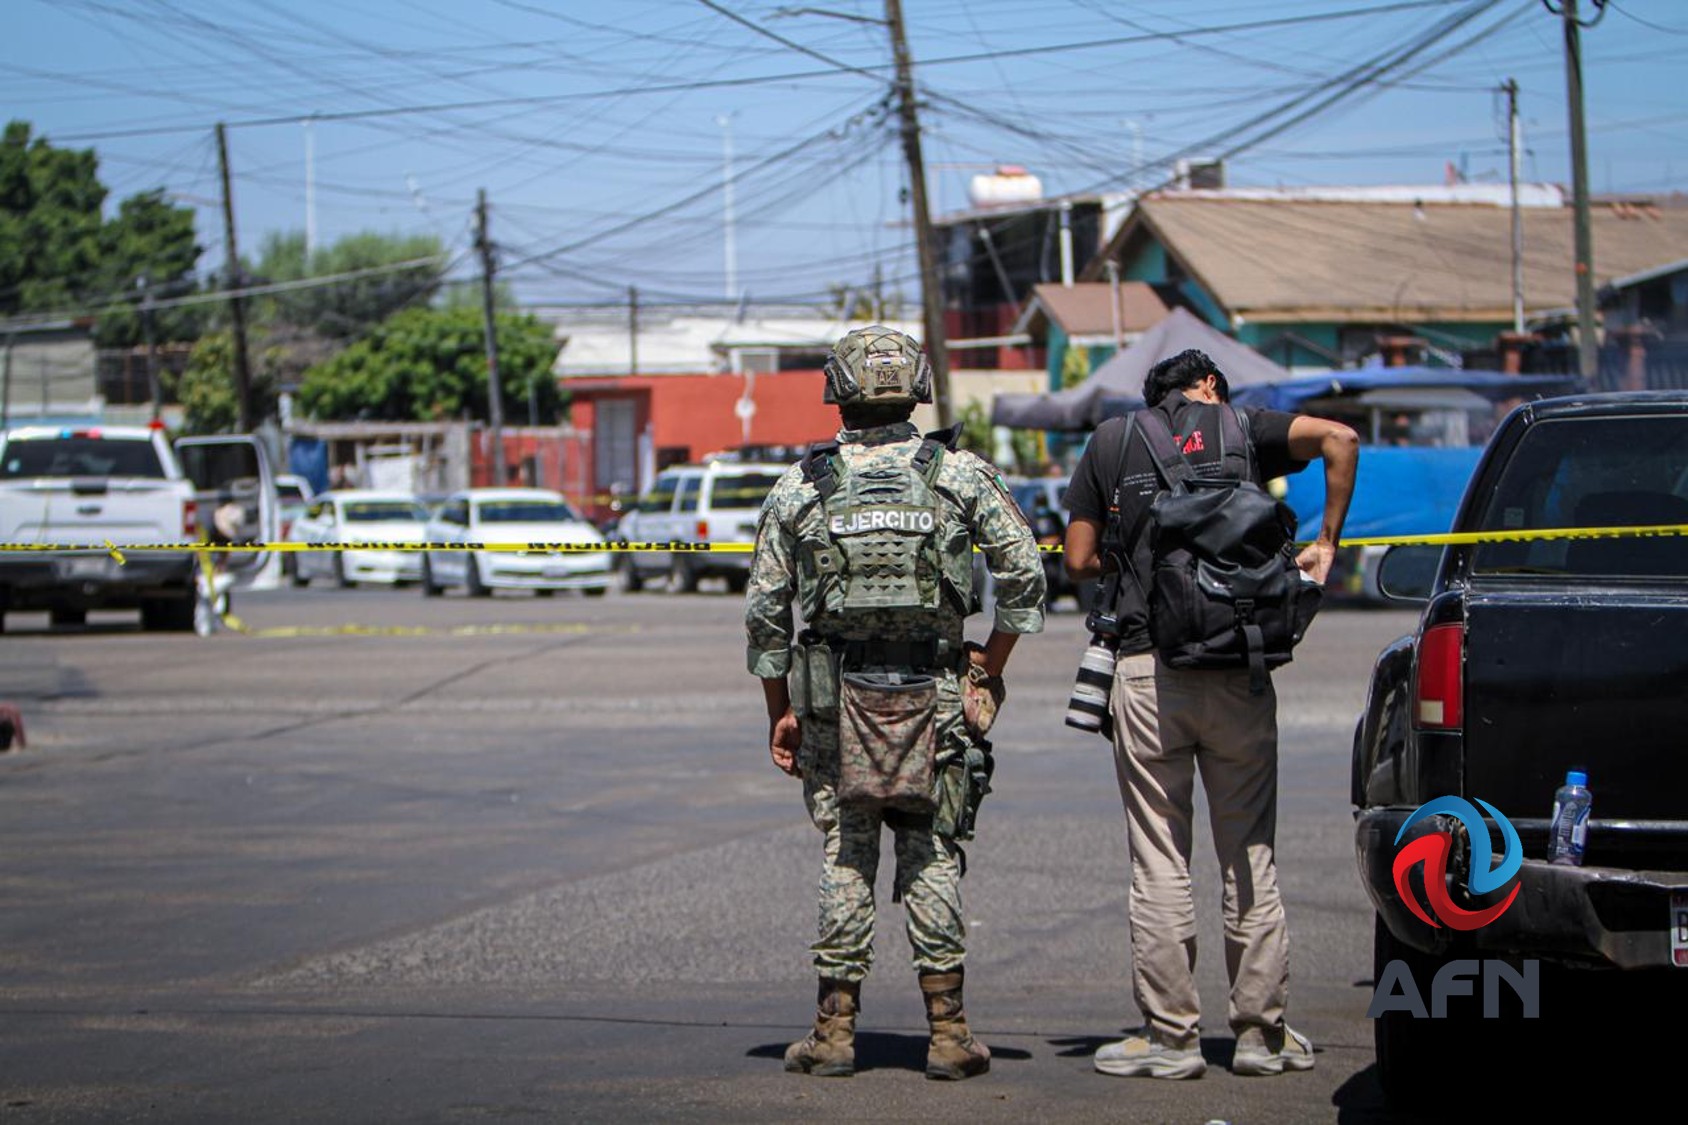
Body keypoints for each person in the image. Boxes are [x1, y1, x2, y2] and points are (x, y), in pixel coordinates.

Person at [745, 326, 1045, 1081]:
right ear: (914, 388)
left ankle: (833, 1032)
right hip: (936, 694)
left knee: (848, 853)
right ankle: (949, 1035)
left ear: (838, 390)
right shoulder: (959, 475)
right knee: (933, 854)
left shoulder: (800, 484)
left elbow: (765, 614)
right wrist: (989, 666)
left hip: (834, 700)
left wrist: (779, 708)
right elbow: (1026, 576)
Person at [1062, 348, 1358, 1080]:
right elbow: (1341, 439)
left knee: (1159, 857)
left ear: (1154, 395)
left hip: (1144, 669)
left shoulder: (1111, 440)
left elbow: (1075, 558)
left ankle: (1172, 1039)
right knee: (1248, 853)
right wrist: (1326, 543)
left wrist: (1135, 566)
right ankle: (1260, 1035)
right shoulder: (1244, 426)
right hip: (1239, 668)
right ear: (1211, 385)